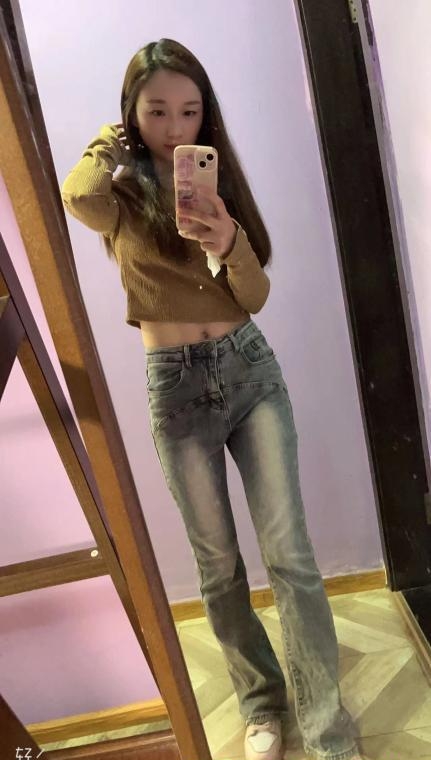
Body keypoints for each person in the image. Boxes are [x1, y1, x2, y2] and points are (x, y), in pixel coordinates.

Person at [61, 38, 362, 760]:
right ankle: (262, 705)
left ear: (206, 116)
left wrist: (228, 240)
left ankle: (326, 729)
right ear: (131, 114)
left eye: (189, 111)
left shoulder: (219, 188)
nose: (175, 128)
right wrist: (111, 141)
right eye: (156, 110)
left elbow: (254, 297)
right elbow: (75, 198)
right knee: (218, 567)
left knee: (290, 557)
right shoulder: (118, 196)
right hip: (175, 387)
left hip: (250, 372)